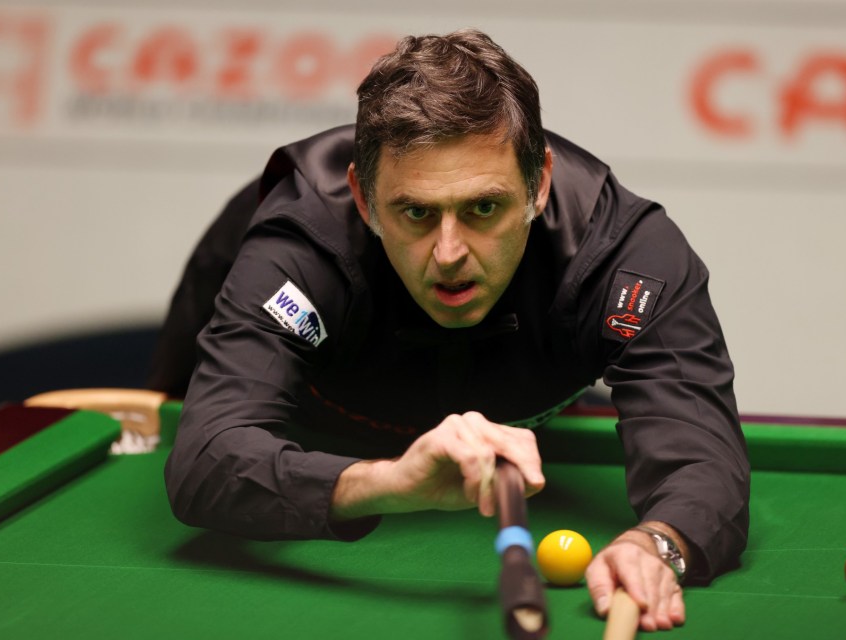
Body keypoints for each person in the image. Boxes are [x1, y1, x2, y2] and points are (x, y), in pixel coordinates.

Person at [155, 29, 750, 632]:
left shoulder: (625, 254)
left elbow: (702, 461)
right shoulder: (302, 247)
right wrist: (385, 482)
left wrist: (658, 543)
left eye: (483, 208)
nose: (448, 253)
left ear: (538, 184)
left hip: (518, 379)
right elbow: (206, 457)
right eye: (415, 212)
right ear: (363, 198)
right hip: (309, 382)